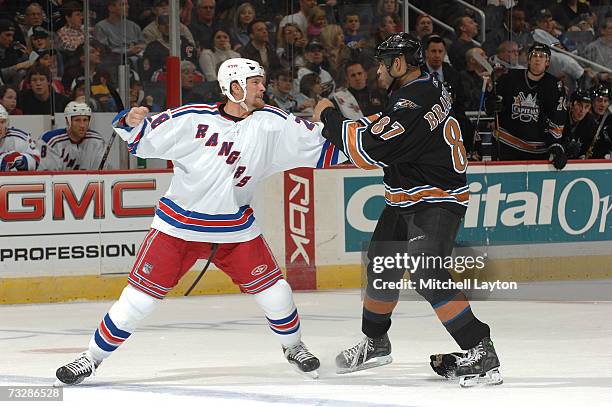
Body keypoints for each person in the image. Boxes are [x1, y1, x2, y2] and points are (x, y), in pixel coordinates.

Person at [54, 58, 344, 386]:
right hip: (177, 227)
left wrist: (362, 136)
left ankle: (293, 347)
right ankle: (90, 358)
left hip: (235, 229)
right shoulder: (192, 119)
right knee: (138, 300)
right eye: (255, 82)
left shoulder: (273, 123)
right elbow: (141, 135)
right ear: (234, 87)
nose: (263, 87)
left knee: (277, 293)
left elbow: (326, 149)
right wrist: (131, 119)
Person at [312, 33, 502, 387]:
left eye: (383, 64)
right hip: (405, 197)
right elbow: (392, 126)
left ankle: (480, 348)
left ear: (398, 64)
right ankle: (376, 343)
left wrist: (329, 118)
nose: (379, 71)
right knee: (381, 269)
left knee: (426, 273)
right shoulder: (424, 88)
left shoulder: (413, 100)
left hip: (434, 197)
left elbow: (369, 152)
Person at [485, 43, 568, 168]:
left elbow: (558, 117)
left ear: (547, 62)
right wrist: (492, 104)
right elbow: (490, 105)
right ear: (528, 60)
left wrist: (555, 144)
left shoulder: (555, 85)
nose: (538, 58)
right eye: (534, 55)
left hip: (538, 150)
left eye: (542, 56)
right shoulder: (509, 78)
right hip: (507, 145)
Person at [38, 101, 106, 171]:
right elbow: (47, 175)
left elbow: (100, 173)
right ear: (68, 121)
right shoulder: (51, 141)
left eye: (85, 120)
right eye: (77, 120)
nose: (82, 125)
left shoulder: (97, 142)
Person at [0, 104, 40, 171]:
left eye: (2, 122)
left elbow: (36, 160)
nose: (0, 126)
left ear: (7, 123)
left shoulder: (19, 137)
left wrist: (21, 159)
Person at [563, 88, 599, 158]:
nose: (582, 111)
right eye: (579, 105)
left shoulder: (591, 123)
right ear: (571, 104)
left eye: (587, 107)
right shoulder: (560, 117)